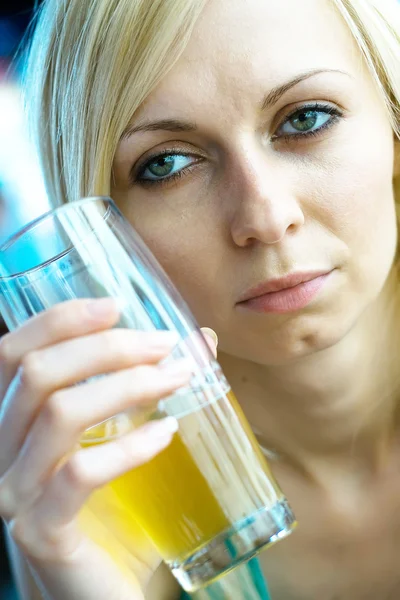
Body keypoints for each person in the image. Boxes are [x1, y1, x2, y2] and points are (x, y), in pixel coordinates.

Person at [1, 0, 400, 598]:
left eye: (306, 119)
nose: (263, 216)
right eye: (166, 164)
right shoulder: (98, 501)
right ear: (109, 232)